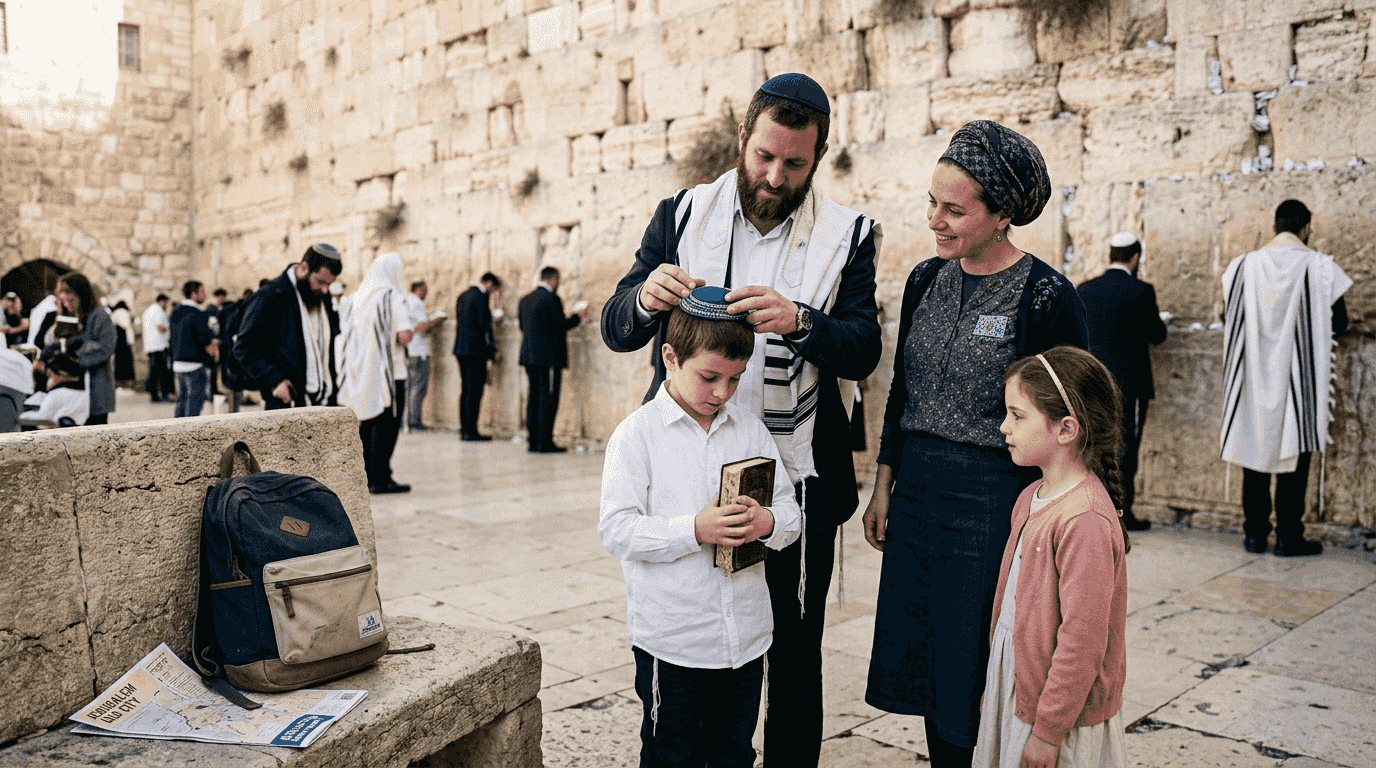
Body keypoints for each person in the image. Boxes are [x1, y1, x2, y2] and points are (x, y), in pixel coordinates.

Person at [601, 72, 882, 767]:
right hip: (682, 473)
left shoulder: (848, 236)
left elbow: (864, 346)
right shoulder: (681, 213)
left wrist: (803, 321)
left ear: (818, 156)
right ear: (742, 138)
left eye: (794, 162)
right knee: (686, 632)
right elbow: (615, 324)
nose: (774, 174)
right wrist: (643, 298)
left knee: (791, 649)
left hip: (795, 477)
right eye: (763, 155)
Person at [861, 119, 1088, 767]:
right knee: (928, 658)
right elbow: (903, 386)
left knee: (973, 660)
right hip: (917, 497)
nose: (935, 220)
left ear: (1003, 215)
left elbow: (1073, 420)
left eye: (954, 210)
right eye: (932, 203)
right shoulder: (924, 281)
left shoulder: (1045, 296)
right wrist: (884, 483)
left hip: (994, 502)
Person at [598, 289, 802, 768]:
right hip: (674, 645)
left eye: (734, 380)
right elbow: (617, 530)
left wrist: (766, 521)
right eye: (709, 377)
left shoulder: (750, 429)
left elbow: (791, 514)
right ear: (670, 356)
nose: (722, 393)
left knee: (734, 754)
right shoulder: (636, 436)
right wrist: (694, 528)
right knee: (673, 755)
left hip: (745, 641)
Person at [973, 345, 1129, 768]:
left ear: (1066, 430)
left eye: (1017, 416)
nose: (1003, 427)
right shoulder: (1030, 498)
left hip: (1060, 716)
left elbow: (1082, 641)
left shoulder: (1085, 521)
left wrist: (1048, 732)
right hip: (1023, 688)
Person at [1221, 199, 1352, 557]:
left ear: (1275, 226)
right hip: (1300, 374)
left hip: (1253, 372)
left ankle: (1254, 534)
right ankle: (1289, 536)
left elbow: (1225, 314)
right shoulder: (1320, 268)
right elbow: (1339, 321)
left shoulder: (1243, 266)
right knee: (1296, 452)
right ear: (1306, 227)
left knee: (1253, 451)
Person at [1077, 232, 1168, 532]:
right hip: (1130, 384)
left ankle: (1090, 508)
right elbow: (1156, 334)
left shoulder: (1086, 289)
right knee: (1125, 446)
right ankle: (1120, 512)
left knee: (1092, 444)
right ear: (1135, 258)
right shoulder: (1141, 290)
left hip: (1091, 382)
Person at [338, 252, 415, 494]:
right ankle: (381, 476)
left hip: (363, 372)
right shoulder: (392, 297)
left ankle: (367, 474)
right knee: (388, 425)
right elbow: (404, 335)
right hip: (391, 374)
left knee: (368, 423)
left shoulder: (355, 298)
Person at [233, 243, 342, 409]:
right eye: (320, 281)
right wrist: (274, 380)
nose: (326, 290)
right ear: (304, 268)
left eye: (329, 284)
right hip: (286, 403)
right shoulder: (270, 295)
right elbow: (244, 347)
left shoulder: (321, 296)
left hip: (323, 402)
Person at [519, 266, 586, 453]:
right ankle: (544, 442)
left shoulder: (525, 300)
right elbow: (560, 325)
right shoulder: (551, 299)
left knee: (533, 398)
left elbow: (523, 327)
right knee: (548, 398)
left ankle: (533, 441)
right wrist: (578, 317)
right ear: (553, 280)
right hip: (548, 358)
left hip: (529, 357)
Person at [39, 272, 118, 425]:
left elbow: (106, 347)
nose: (66, 300)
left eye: (71, 297)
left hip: (94, 393)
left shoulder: (99, 317)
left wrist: (76, 351)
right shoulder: (69, 318)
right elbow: (52, 342)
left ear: (82, 295)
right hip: (68, 394)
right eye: (63, 296)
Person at [453, 272, 502, 441]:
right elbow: (484, 326)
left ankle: (465, 429)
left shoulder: (463, 295)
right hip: (475, 351)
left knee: (466, 390)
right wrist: (492, 351)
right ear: (489, 284)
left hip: (461, 350)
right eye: (494, 289)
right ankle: (471, 431)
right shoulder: (480, 297)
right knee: (475, 391)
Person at [169, 281, 219, 418]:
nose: (205, 294)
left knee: (181, 401)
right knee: (194, 404)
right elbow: (206, 341)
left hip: (178, 364)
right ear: (194, 294)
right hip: (194, 365)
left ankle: (176, 434)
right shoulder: (197, 313)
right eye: (202, 291)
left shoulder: (175, 312)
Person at [402, 280, 443, 431]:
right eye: (426, 290)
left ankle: (406, 420)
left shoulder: (406, 301)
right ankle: (413, 421)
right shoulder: (417, 303)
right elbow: (423, 328)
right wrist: (438, 318)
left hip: (410, 350)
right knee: (418, 388)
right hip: (419, 351)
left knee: (410, 387)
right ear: (420, 289)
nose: (427, 293)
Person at [21, 349, 90, 428]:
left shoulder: (57, 394)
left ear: (62, 373)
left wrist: (22, 415)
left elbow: (42, 420)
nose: (50, 379)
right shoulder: (87, 393)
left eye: (50, 375)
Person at [142, 294, 174, 402]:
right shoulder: (158, 311)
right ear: (163, 301)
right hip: (159, 346)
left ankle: (155, 396)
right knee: (161, 373)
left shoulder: (149, 310)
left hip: (152, 346)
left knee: (154, 373)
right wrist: (169, 328)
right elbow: (161, 328)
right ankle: (163, 395)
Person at [109, 300, 137, 387]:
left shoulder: (116, 313)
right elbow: (126, 326)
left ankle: (120, 382)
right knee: (127, 362)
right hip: (124, 340)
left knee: (119, 362)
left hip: (119, 341)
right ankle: (128, 383)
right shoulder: (123, 312)